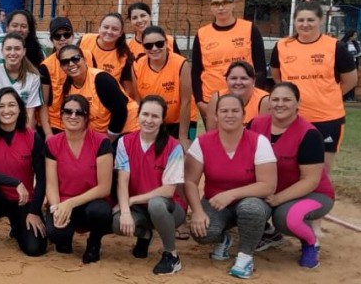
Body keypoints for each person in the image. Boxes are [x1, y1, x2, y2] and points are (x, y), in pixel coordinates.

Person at [184, 93, 276, 279]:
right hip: (215, 202)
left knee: (250, 208)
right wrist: (197, 211)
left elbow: (268, 186)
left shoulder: (259, 141)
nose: (230, 115)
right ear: (216, 116)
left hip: (251, 201)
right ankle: (224, 239)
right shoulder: (203, 142)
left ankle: (245, 256)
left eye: (235, 111)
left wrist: (231, 194)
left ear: (243, 115)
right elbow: (190, 181)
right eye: (224, 111)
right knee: (202, 232)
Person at [251, 83, 335, 268]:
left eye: (287, 99)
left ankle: (310, 243)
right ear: (269, 102)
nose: (280, 104)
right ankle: (269, 234)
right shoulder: (256, 124)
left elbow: (311, 180)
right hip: (272, 190)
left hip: (313, 193)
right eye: (276, 99)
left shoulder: (309, 134)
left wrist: (278, 198)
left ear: (298, 103)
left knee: (286, 218)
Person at [271, 2, 357, 171]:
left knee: (321, 172)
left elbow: (351, 80)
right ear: (294, 21)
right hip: (292, 118)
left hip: (327, 118)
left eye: (310, 20)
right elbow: (277, 77)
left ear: (320, 21)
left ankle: (320, 198)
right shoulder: (282, 46)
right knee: (288, 168)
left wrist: (328, 95)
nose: (305, 24)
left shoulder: (335, 47)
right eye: (300, 20)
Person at [112, 96, 186, 275]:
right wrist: (126, 211)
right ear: (138, 116)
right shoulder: (125, 141)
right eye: (145, 114)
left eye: (155, 116)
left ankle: (171, 254)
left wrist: (131, 200)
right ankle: (145, 235)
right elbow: (122, 180)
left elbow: (168, 191)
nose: (149, 120)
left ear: (162, 120)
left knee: (157, 204)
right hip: (139, 207)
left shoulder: (173, 147)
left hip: (171, 208)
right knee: (117, 221)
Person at [0, 88, 47, 257]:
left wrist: (34, 211)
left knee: (35, 249)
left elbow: (42, 178)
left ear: (20, 108)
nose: (7, 111)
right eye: (1, 106)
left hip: (23, 200)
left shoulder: (32, 137)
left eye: (12, 105)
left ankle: (17, 226)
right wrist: (15, 182)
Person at [44, 95, 114, 264]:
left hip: (91, 202)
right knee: (56, 233)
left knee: (100, 213)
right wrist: (55, 209)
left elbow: (104, 188)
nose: (73, 116)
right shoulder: (52, 143)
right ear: (61, 115)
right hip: (63, 202)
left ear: (86, 117)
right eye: (68, 112)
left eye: (79, 113)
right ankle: (64, 239)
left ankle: (94, 242)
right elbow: (51, 184)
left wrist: (71, 203)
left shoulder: (101, 142)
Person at [192, 0, 267, 122]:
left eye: (225, 2)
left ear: (233, 5)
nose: (221, 7)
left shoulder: (250, 29)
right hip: (212, 101)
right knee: (215, 141)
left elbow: (261, 68)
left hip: (245, 100)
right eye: (216, 4)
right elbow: (196, 71)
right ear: (211, 8)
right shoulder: (202, 34)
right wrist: (199, 101)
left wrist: (254, 98)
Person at [130, 26, 195, 144]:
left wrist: (182, 137)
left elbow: (186, 101)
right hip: (152, 122)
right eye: (148, 45)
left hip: (178, 122)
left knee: (180, 152)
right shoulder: (137, 65)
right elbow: (138, 101)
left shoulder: (181, 63)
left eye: (159, 44)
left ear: (166, 43)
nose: (154, 48)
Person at [57, 45, 138, 138]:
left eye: (75, 58)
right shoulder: (67, 87)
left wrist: (109, 140)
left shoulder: (101, 79)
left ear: (85, 59)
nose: (71, 64)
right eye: (65, 62)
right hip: (101, 133)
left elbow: (120, 111)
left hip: (126, 129)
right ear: (61, 66)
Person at [0, 32, 46, 133]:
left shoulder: (33, 76)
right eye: (8, 48)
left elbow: (30, 112)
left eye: (17, 48)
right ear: (2, 51)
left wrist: (22, 137)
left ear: (24, 51)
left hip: (21, 127)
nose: (13, 53)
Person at [39, 17, 81, 134]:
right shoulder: (46, 66)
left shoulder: (86, 57)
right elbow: (44, 103)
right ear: (52, 40)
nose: (62, 39)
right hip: (56, 124)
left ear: (72, 36)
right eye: (57, 36)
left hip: (81, 120)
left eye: (66, 35)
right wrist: (48, 134)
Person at [79, 13, 136, 96]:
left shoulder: (125, 56)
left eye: (115, 29)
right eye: (106, 27)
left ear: (121, 33)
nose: (109, 32)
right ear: (99, 28)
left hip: (106, 100)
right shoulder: (85, 40)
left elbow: (127, 91)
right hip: (81, 97)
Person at [206, 61, 270, 131]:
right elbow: (211, 132)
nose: (238, 82)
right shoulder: (217, 98)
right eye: (233, 78)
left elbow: (264, 135)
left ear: (254, 81)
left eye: (244, 78)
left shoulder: (265, 100)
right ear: (226, 80)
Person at [341, 30, 360, 102]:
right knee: (345, 80)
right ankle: (344, 96)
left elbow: (359, 52)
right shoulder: (342, 44)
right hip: (345, 65)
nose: (355, 37)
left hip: (354, 64)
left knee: (353, 81)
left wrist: (353, 56)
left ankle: (351, 97)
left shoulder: (356, 44)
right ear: (350, 35)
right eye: (354, 35)